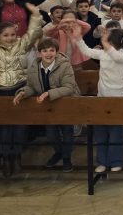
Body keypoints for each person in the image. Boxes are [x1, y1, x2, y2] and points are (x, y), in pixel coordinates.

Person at [0, 5, 43, 177]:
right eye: (5, 35)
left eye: (13, 34)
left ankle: (17, 157)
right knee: (4, 128)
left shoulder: (21, 45)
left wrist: (35, 16)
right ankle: (6, 158)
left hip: (18, 90)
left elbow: (33, 34)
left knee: (19, 127)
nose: (10, 38)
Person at [14, 37, 79, 172]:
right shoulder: (34, 66)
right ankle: (58, 152)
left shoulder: (64, 65)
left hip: (65, 103)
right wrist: (23, 93)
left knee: (67, 132)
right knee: (51, 134)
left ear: (56, 52)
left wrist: (49, 93)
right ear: (39, 53)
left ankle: (66, 158)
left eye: (52, 50)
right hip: (48, 106)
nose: (48, 54)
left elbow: (69, 88)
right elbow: (31, 86)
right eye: (45, 51)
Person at [76, 28, 123, 172]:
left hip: (117, 99)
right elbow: (86, 51)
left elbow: (115, 56)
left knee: (115, 134)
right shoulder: (103, 54)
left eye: (108, 40)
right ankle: (102, 162)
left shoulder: (122, 55)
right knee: (100, 133)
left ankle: (116, 161)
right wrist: (77, 37)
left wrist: (104, 41)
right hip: (102, 98)